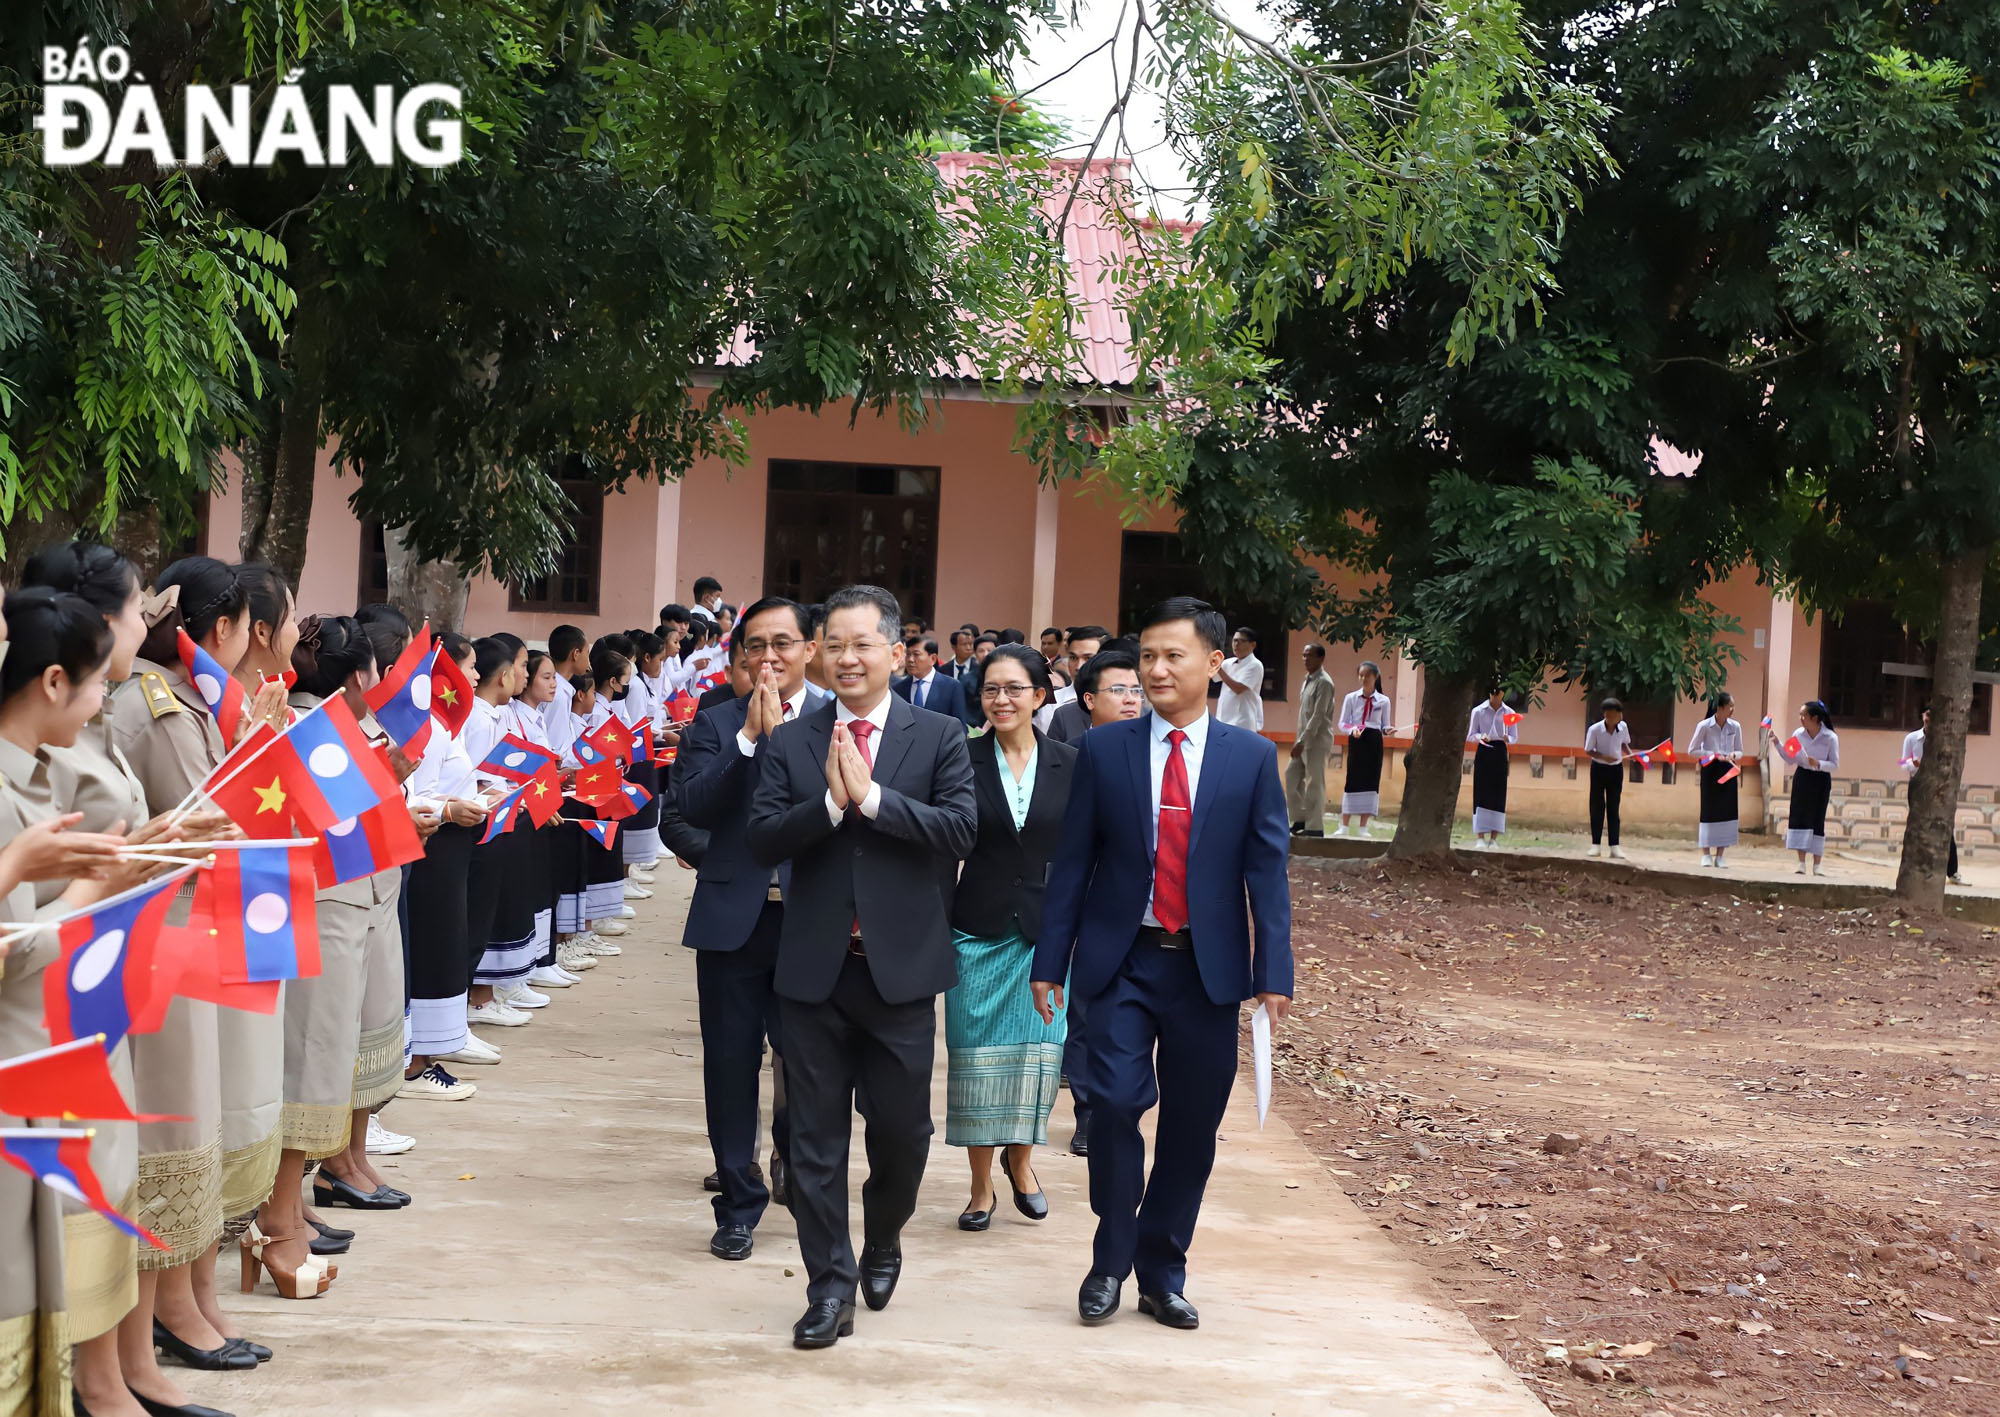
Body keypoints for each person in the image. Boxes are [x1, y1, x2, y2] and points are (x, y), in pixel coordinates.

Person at [1032, 596, 1291, 1330]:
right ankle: (1109, 1259)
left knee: (1190, 1125)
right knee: (1111, 1102)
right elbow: (1075, 860)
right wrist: (1051, 959)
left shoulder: (1249, 758)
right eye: (1147, 656)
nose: (1156, 669)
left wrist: (1275, 972)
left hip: (1207, 970)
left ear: (1215, 663)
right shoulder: (1107, 750)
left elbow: (1267, 872)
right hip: (1122, 959)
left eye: (1173, 655)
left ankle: (1162, 1268)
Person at [746, 584, 976, 1350]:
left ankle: (883, 1238)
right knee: (813, 1141)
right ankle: (828, 1287)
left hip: (901, 974)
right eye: (833, 644)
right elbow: (762, 838)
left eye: (862, 643)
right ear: (818, 650)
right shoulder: (792, 740)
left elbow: (959, 829)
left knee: (904, 1135)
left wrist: (873, 799)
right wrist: (832, 807)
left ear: (895, 650)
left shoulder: (939, 734)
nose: (847, 657)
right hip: (813, 973)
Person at [0, 588, 163, 1417]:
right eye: (97, 682)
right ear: (56, 680)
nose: (107, 697)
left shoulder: (36, 771)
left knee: (39, 1287)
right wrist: (91, 887)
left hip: (50, 1048)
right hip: (18, 1060)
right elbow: (12, 949)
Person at [676, 597, 827, 1262]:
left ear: (810, 649)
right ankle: (738, 1201)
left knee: (810, 1064)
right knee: (730, 1069)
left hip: (811, 922)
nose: (770, 656)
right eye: (756, 645)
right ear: (741, 656)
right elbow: (692, 806)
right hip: (733, 922)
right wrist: (746, 741)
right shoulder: (714, 725)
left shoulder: (838, 721)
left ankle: (794, 1159)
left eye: (784, 643)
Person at [947, 646, 1076, 1232]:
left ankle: (1021, 1164)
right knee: (975, 1061)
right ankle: (979, 1189)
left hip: (1047, 935)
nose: (1001, 700)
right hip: (976, 928)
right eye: (991, 690)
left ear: (1039, 696)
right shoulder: (959, 758)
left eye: (1014, 689)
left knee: (1035, 1060)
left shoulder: (1071, 763)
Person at [1902, 708, 1965, 885]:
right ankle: (1916, 869)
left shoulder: (1944, 740)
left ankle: (1952, 871)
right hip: (1918, 784)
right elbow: (1902, 761)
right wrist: (1912, 764)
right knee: (1916, 825)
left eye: (1931, 719)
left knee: (1945, 826)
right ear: (1923, 717)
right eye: (1926, 718)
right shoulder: (1912, 738)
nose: (1928, 722)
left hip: (1939, 787)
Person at [1686, 692, 1745, 868]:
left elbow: (1740, 750)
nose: (1733, 710)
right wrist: (1712, 754)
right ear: (1719, 708)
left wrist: (1733, 755)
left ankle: (1720, 854)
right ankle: (1706, 854)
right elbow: (1692, 750)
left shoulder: (1736, 726)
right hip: (1710, 769)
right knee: (1709, 810)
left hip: (1728, 769)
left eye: (1733, 706)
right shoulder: (1704, 726)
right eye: (1730, 706)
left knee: (1726, 811)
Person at [1335, 661, 1392, 838]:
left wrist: (1388, 730)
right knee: (1352, 779)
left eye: (1367, 675)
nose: (1363, 678)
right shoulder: (1351, 698)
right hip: (1357, 739)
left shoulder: (1384, 700)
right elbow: (1342, 722)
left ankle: (1363, 827)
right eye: (1360, 675)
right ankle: (1344, 826)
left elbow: (1384, 725)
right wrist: (1352, 729)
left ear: (1375, 677)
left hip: (1374, 741)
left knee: (1371, 781)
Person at [1287, 644, 1337, 837]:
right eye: (1303, 655)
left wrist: (1302, 741)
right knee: (1291, 776)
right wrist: (1299, 740)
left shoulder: (1325, 683)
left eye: (1310, 656)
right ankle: (1300, 817)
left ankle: (1314, 827)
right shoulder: (1307, 680)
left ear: (1321, 659)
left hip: (1316, 740)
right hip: (1302, 739)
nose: (1306, 659)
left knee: (1315, 782)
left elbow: (1318, 716)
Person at [1785, 700, 1839, 876]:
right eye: (1800, 715)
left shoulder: (1830, 737)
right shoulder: (1798, 734)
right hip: (1802, 777)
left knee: (1817, 818)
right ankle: (1801, 862)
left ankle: (1817, 864)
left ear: (1815, 718)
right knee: (1801, 816)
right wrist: (1778, 744)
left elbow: (1834, 764)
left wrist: (1819, 763)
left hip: (1821, 779)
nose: (1801, 718)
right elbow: (1789, 757)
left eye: (1804, 715)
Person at [1466, 689, 1517, 848]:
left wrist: (1508, 738)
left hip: (1500, 750)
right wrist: (1481, 736)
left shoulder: (1509, 712)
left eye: (1499, 692)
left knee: (1498, 792)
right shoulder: (1478, 711)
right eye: (1493, 692)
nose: (1496, 695)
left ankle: (1494, 838)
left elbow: (1515, 737)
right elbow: (1470, 735)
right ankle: (1480, 837)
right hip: (1484, 750)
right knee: (1481, 791)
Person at [1584, 699, 1632, 859]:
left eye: (1614, 716)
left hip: (1616, 769)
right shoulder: (1595, 729)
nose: (1611, 719)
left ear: (1620, 715)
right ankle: (1595, 845)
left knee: (1614, 806)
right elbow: (1589, 750)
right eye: (1608, 715)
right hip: (1598, 768)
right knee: (1597, 805)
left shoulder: (1623, 727)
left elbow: (1625, 743)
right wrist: (1604, 757)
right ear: (1604, 714)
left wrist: (1630, 754)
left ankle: (1614, 846)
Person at [893, 636, 967, 724]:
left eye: (916, 654)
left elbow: (960, 725)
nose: (910, 659)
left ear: (933, 659)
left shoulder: (952, 687)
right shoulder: (898, 688)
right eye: (908, 654)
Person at [1214, 627, 1264, 731]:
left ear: (1253, 645)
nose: (1236, 645)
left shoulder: (1255, 665)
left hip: (1242, 723)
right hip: (1223, 721)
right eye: (1235, 641)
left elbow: (1238, 688)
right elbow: (1210, 674)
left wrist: (1218, 667)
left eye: (1241, 641)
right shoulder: (1228, 663)